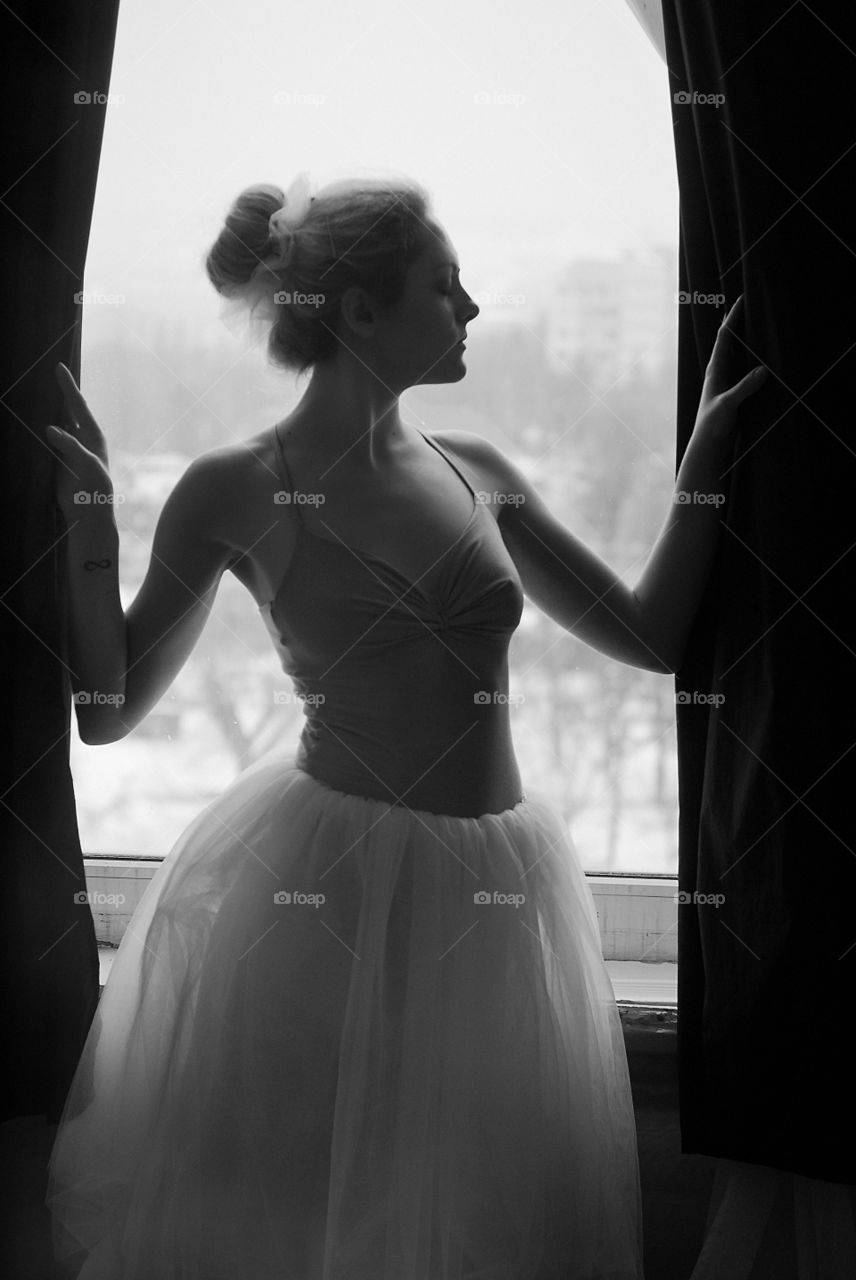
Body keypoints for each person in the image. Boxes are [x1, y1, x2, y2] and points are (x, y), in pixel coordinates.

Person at [44, 170, 765, 1280]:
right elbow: (107, 711)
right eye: (446, 283)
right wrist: (91, 524)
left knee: (464, 1223)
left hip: (494, 892)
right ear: (359, 313)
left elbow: (651, 633)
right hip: (323, 889)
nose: (471, 307)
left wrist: (709, 454)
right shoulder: (238, 485)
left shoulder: (474, 470)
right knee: (300, 1216)